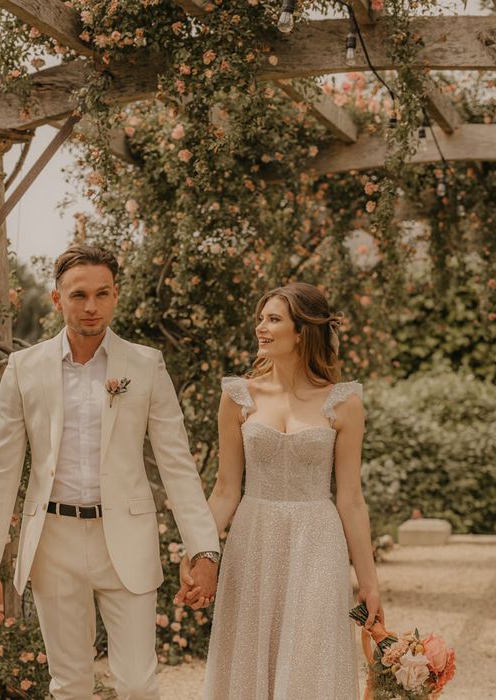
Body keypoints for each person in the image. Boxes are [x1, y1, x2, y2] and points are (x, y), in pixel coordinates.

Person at [0, 244, 220, 700]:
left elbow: (177, 464)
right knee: (69, 686)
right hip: (54, 542)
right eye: (79, 295)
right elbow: (1, 469)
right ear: (56, 299)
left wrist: (204, 551)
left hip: (126, 536)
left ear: (115, 296)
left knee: (139, 686)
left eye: (102, 294)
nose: (91, 307)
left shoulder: (145, 365)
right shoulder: (24, 369)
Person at [178, 282, 383, 699]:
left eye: (274, 319)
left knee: (312, 657)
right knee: (250, 657)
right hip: (253, 538)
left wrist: (370, 582)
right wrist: (197, 550)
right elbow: (224, 490)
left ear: (302, 330)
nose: (261, 328)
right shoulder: (238, 396)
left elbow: (351, 499)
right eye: (260, 319)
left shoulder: (343, 402)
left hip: (318, 540)